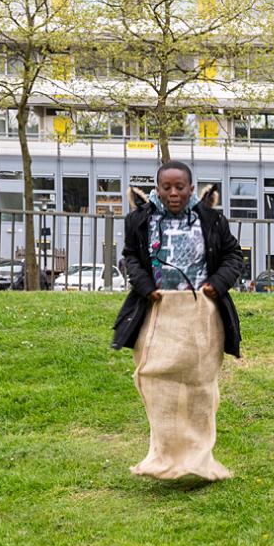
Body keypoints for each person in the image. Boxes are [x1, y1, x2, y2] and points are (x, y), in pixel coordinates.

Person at [111, 160, 244, 481]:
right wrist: (146, 287)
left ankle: (198, 459)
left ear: (190, 188)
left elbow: (233, 256)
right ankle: (162, 456)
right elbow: (130, 257)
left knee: (201, 385)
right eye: (166, 187)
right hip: (158, 310)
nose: (173, 193)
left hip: (201, 310)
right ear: (157, 189)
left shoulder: (210, 220)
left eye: (180, 187)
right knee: (157, 381)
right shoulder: (140, 220)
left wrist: (217, 284)